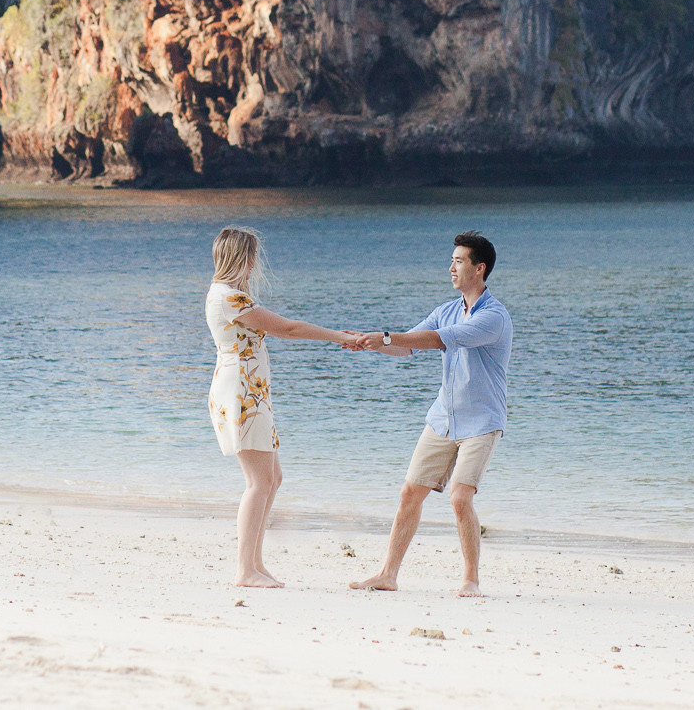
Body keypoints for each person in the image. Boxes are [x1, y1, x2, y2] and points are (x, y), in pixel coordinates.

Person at [350, 231, 512, 598]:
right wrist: (371, 344)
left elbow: (438, 339)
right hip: (443, 418)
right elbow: (408, 346)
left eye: (459, 261)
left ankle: (470, 580)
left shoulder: (494, 317)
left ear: (479, 268)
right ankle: (388, 574)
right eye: (452, 260)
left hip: (482, 423)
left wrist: (387, 336)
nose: (451, 267)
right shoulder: (447, 309)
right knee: (410, 492)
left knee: (460, 498)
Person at [205, 226, 362, 588]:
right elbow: (287, 329)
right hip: (242, 393)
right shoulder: (229, 298)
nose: (255, 263)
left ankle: (256, 564)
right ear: (243, 258)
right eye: (253, 256)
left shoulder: (227, 295)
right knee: (259, 481)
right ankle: (245, 570)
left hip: (251, 391)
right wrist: (341, 336)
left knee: (273, 478)